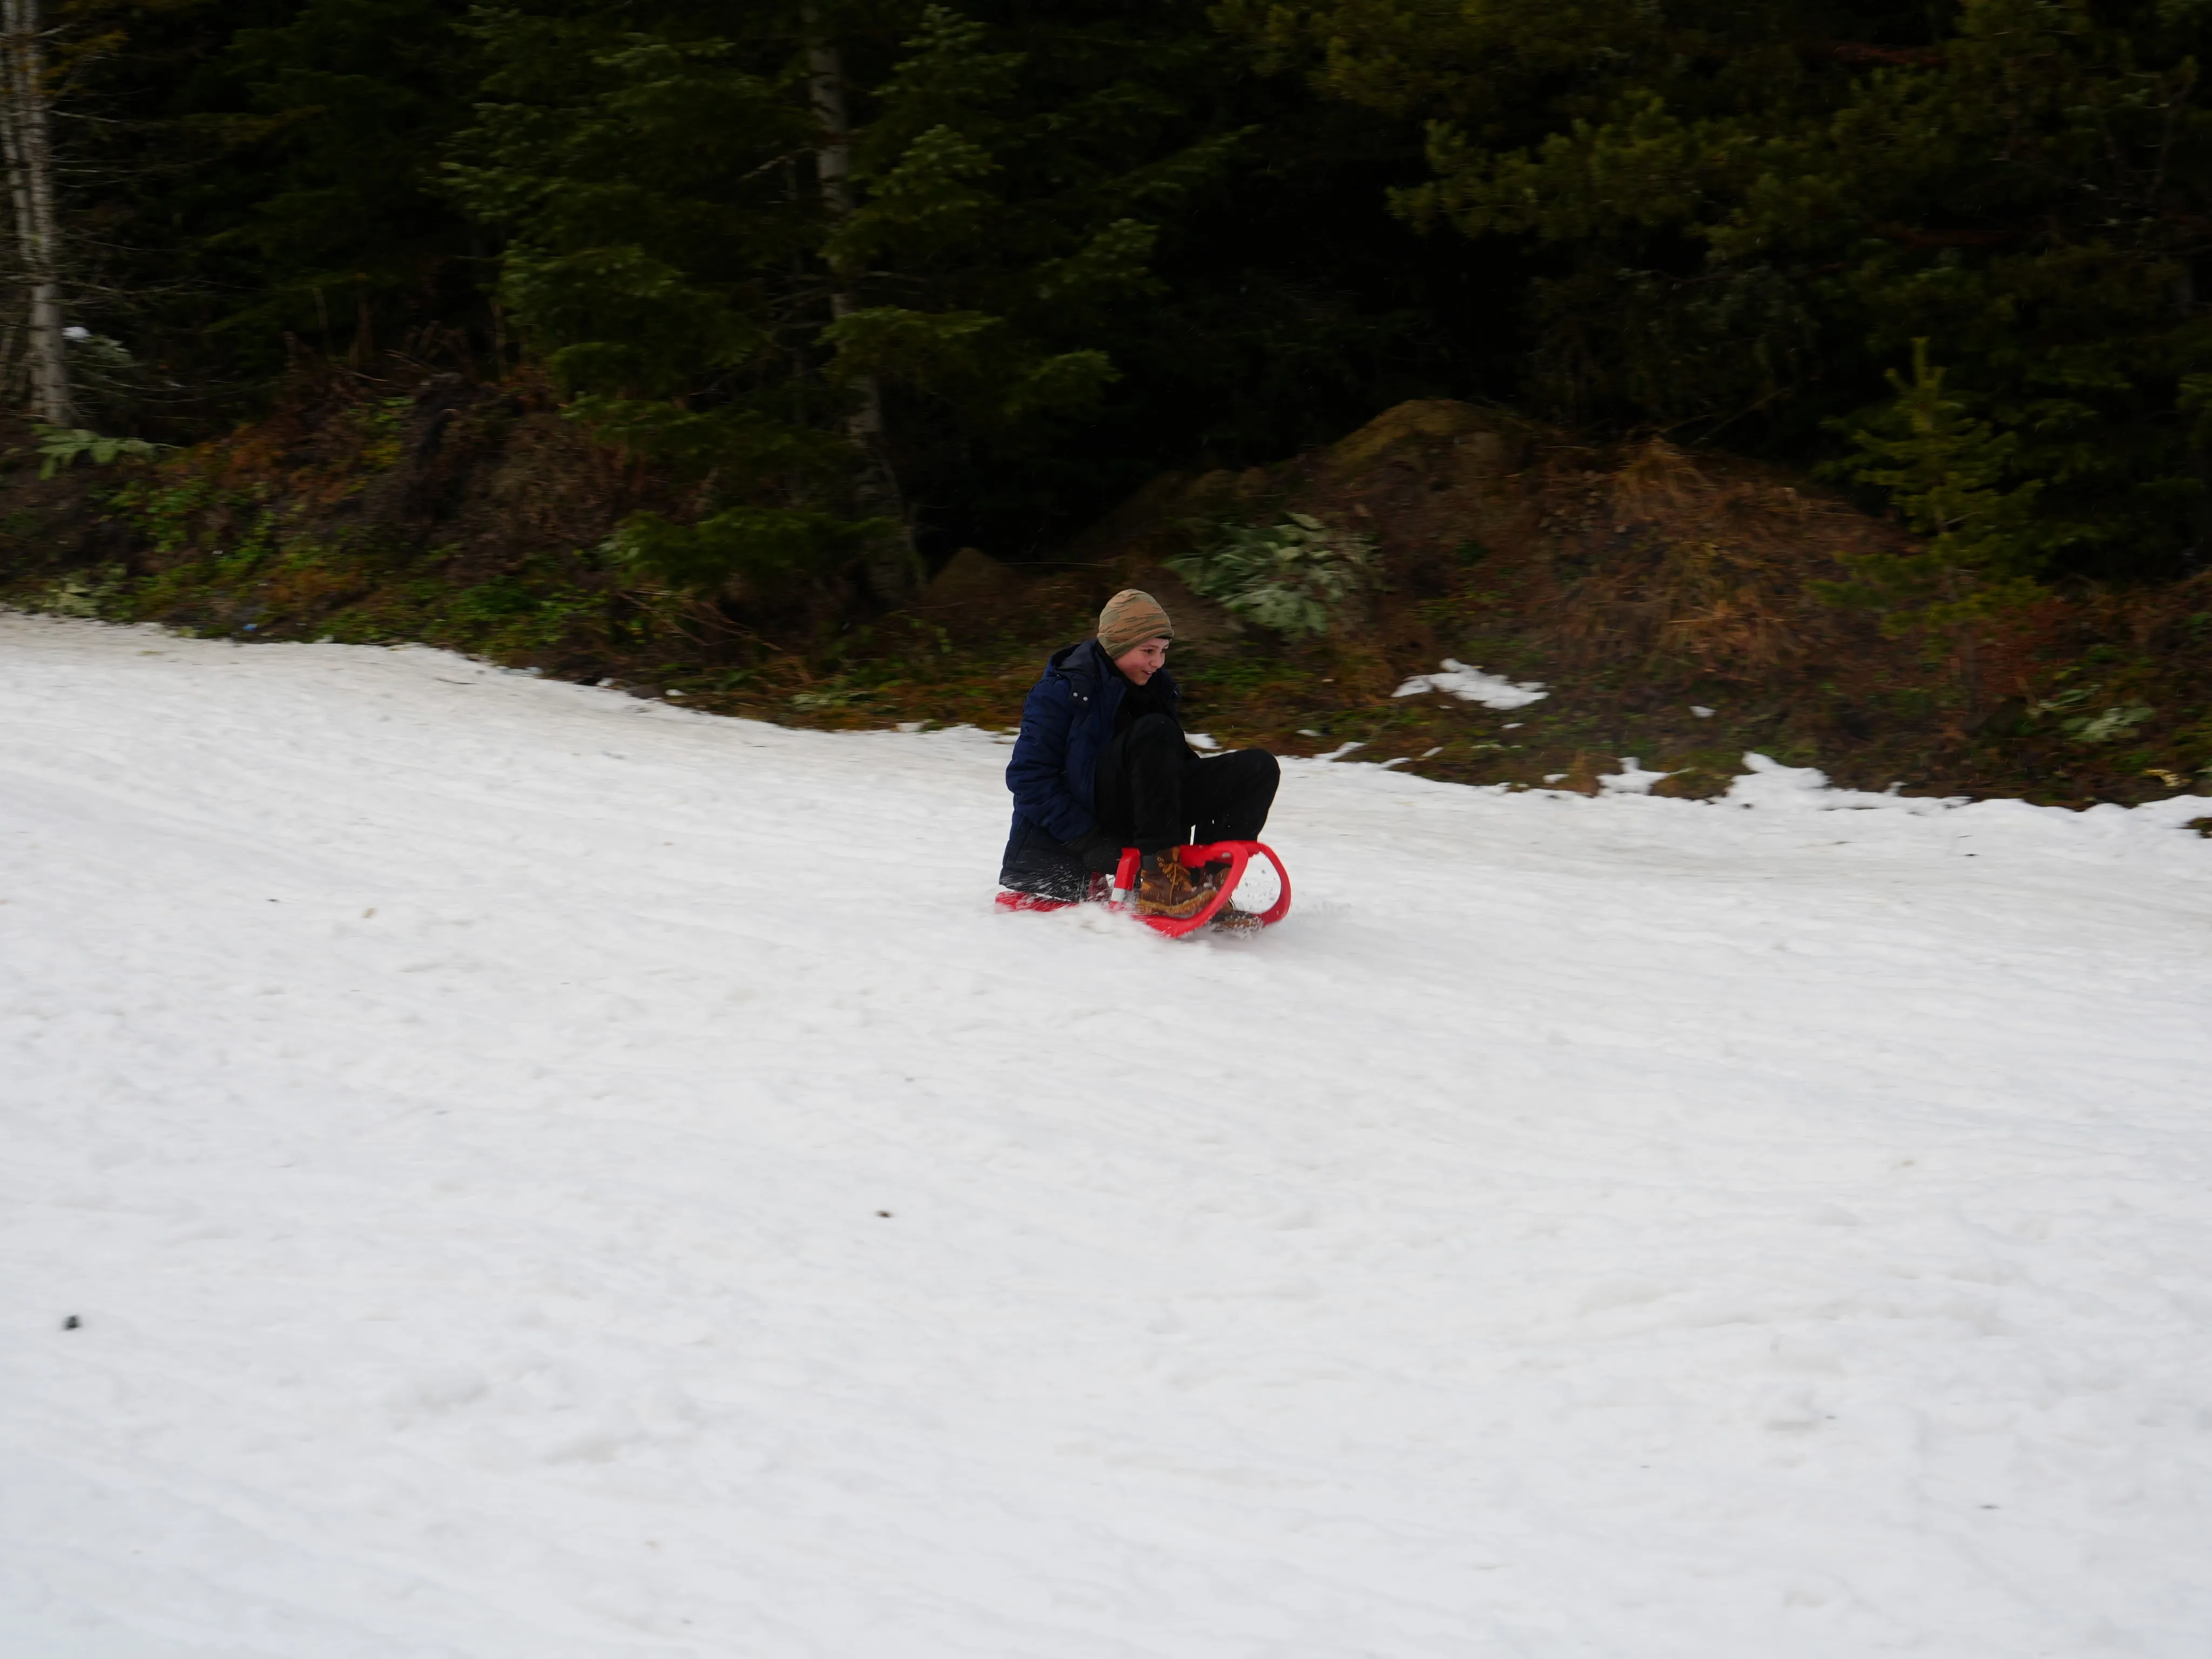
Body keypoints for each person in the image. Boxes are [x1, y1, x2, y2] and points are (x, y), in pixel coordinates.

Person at [1001, 588, 1280, 922]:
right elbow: (1029, 778)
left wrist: (1223, 786)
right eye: (1147, 651)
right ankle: (1161, 886)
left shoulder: (1157, 690)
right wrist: (1091, 842)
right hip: (1089, 818)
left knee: (1257, 767)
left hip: (1146, 808)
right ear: (1117, 645)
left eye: (1163, 651)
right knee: (1154, 730)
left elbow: (1168, 767)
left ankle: (1206, 884)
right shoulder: (1061, 691)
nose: (1157, 662)